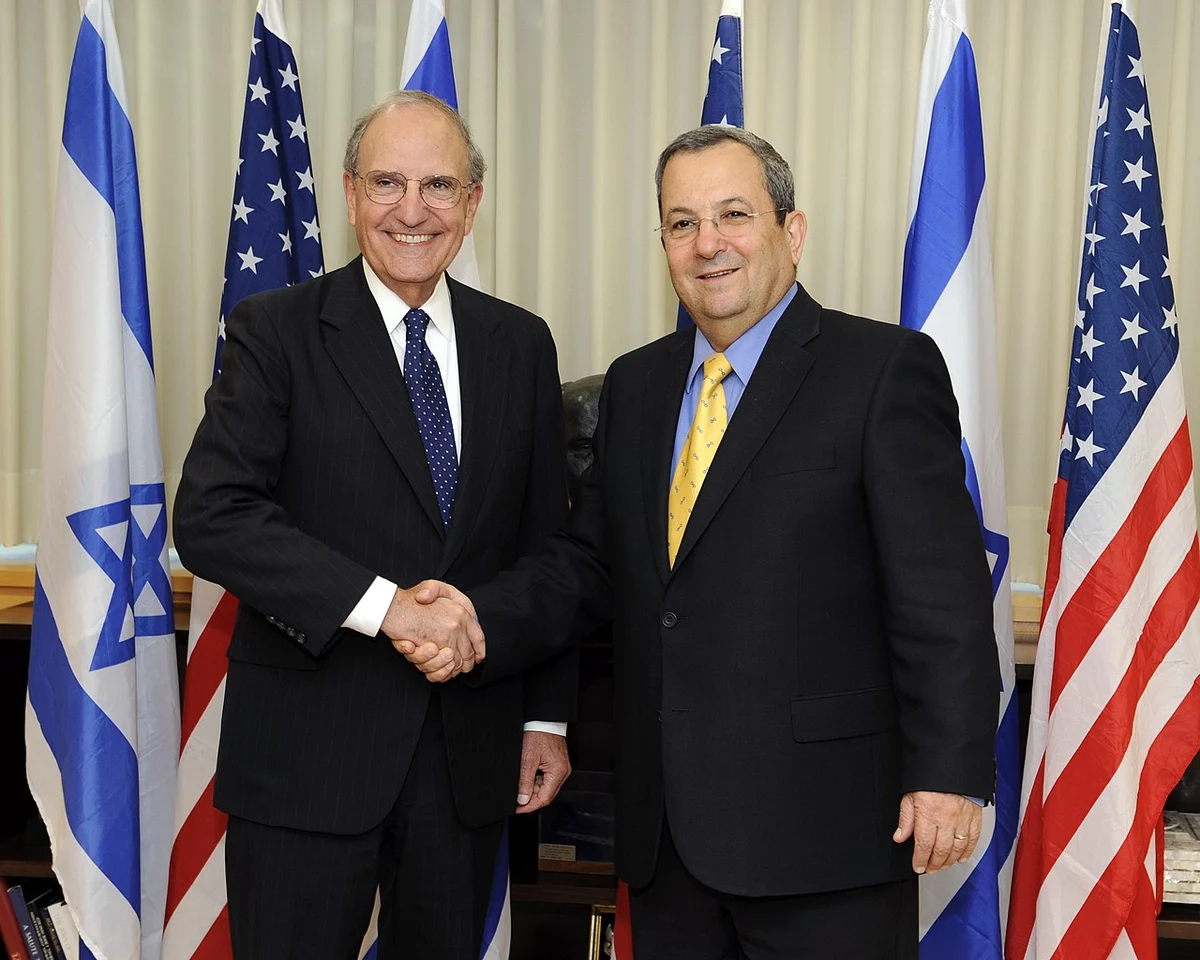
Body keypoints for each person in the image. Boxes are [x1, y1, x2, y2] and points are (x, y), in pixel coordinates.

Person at [407, 125, 1000, 959]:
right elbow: (591, 565)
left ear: (792, 230)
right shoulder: (637, 385)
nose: (708, 243)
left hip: (825, 836)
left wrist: (947, 773)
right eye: (682, 223)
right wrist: (475, 614)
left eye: (733, 214)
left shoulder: (882, 370)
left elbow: (941, 595)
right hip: (668, 842)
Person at [173, 90, 575, 960]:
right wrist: (388, 608)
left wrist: (544, 718)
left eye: (439, 186)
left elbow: (551, 548)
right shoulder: (276, 331)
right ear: (351, 193)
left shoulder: (520, 344)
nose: (412, 210)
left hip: (467, 756)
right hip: (307, 760)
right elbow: (211, 515)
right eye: (388, 182)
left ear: (473, 202)